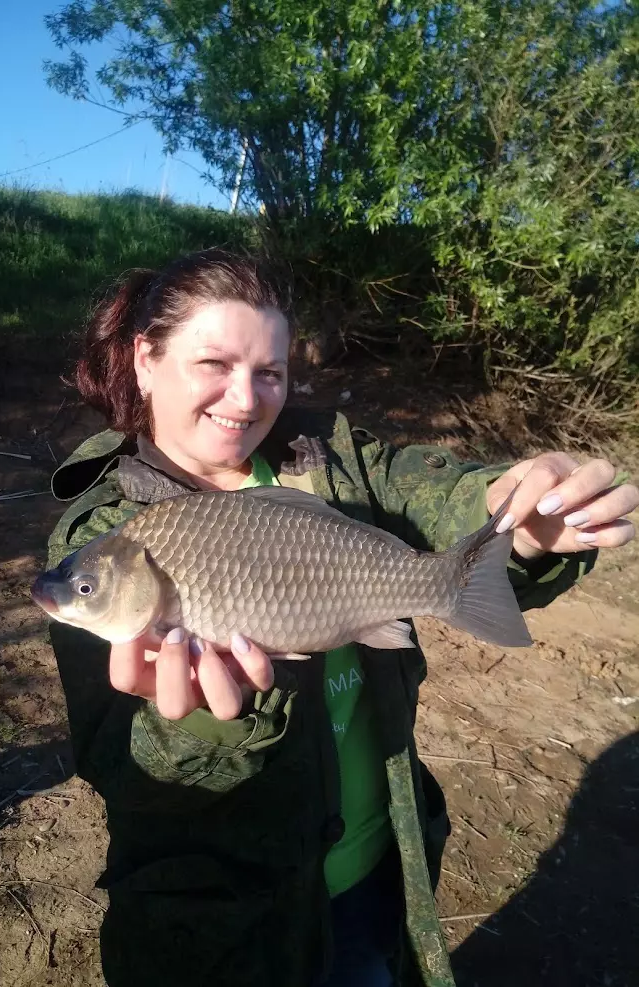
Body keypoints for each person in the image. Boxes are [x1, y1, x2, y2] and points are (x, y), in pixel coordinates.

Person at [44, 248, 637, 987]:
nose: (245, 397)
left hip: (374, 868)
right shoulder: (101, 539)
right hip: (225, 933)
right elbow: (114, 757)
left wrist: (515, 517)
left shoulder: (329, 453)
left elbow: (435, 493)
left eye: (269, 371)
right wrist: (198, 728)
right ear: (144, 358)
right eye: (214, 363)